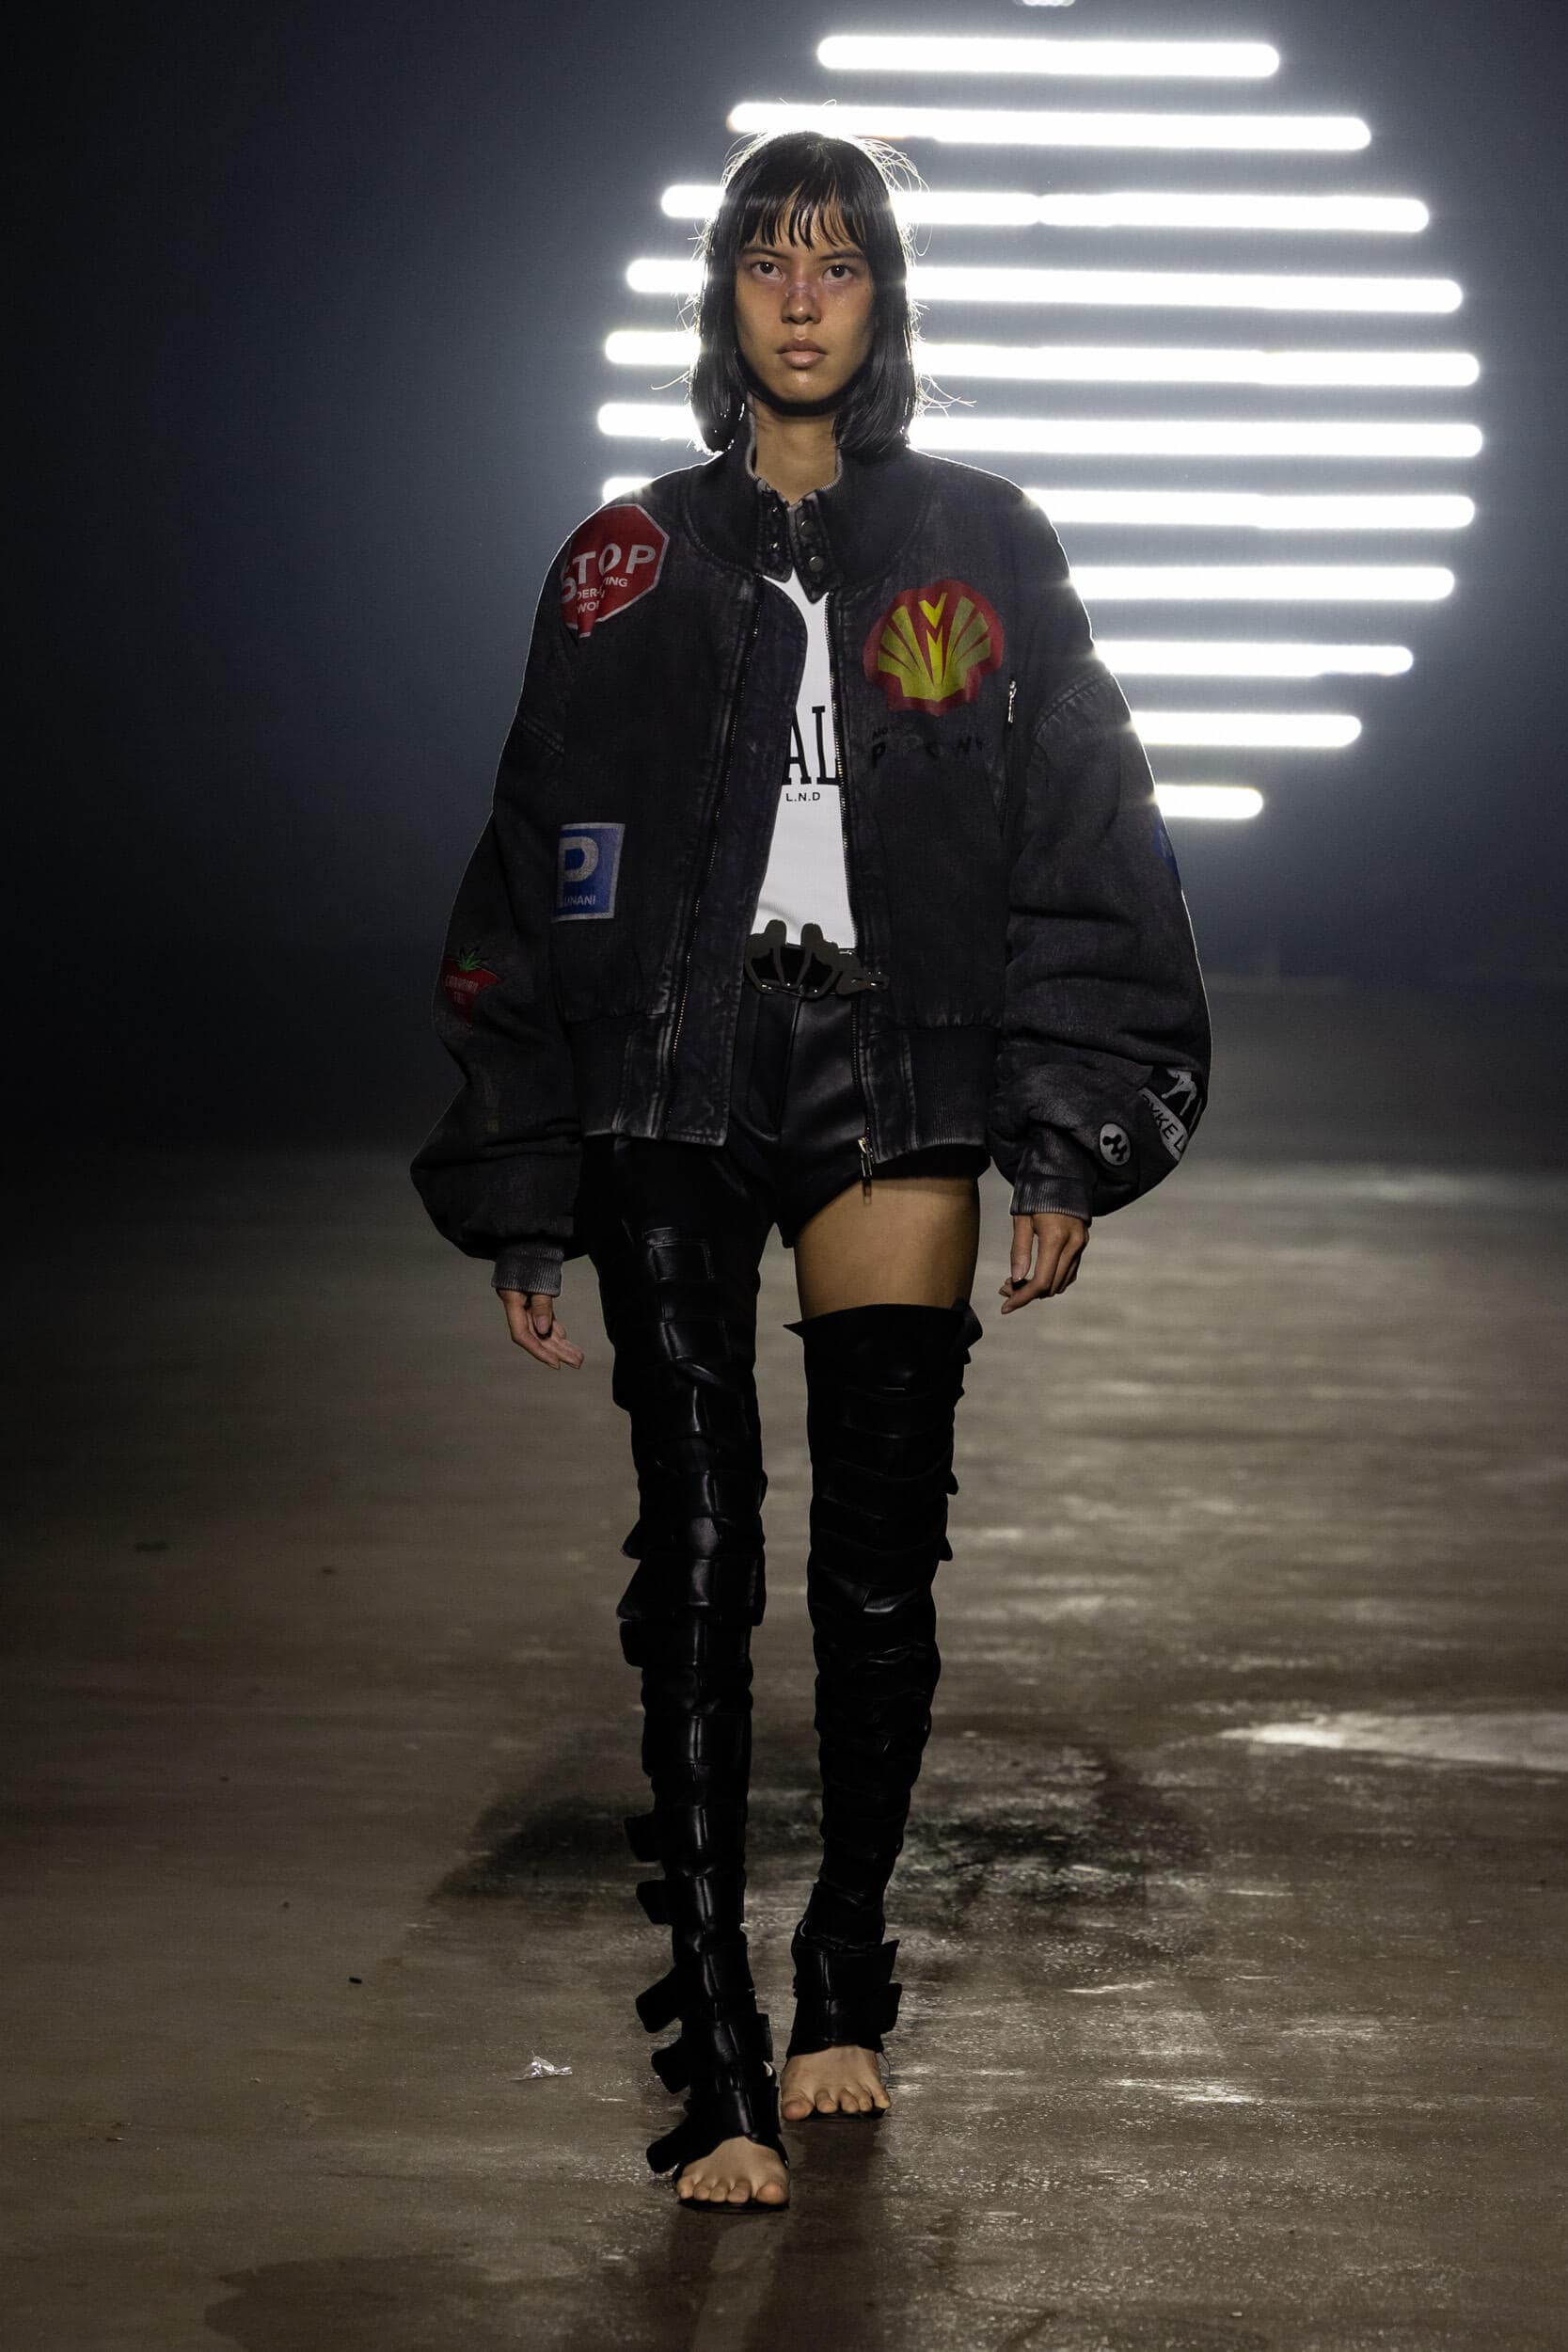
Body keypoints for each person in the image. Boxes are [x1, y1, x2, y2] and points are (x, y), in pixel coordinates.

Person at [411, 128, 1212, 2213]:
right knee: (692, 1549)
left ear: (882, 299)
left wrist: (1064, 1126)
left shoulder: (985, 542)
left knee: (875, 1554)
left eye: (834, 260)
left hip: (893, 1063)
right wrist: (522, 1169)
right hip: (676, 1076)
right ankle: (716, 2056)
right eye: (766, 257)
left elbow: (1086, 832)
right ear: (723, 296)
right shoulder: (625, 563)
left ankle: (844, 1968)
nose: (797, 294)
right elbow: (535, 859)